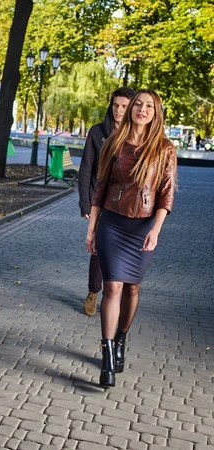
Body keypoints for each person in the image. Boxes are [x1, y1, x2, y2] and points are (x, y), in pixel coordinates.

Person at [86, 89, 177, 388]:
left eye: (149, 106)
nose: (142, 109)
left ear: (156, 112)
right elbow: (100, 187)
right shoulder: (113, 142)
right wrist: (92, 228)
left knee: (132, 288)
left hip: (143, 226)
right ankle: (108, 353)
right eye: (138, 104)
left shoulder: (164, 148)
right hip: (112, 222)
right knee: (112, 286)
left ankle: (122, 337)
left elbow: (166, 194)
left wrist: (156, 229)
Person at [78, 87, 135, 316]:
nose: (119, 110)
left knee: (121, 251)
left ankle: (114, 293)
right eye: (116, 105)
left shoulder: (137, 134)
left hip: (127, 204)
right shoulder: (97, 132)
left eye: (124, 106)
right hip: (100, 202)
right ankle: (93, 291)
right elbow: (85, 171)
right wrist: (85, 204)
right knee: (98, 251)